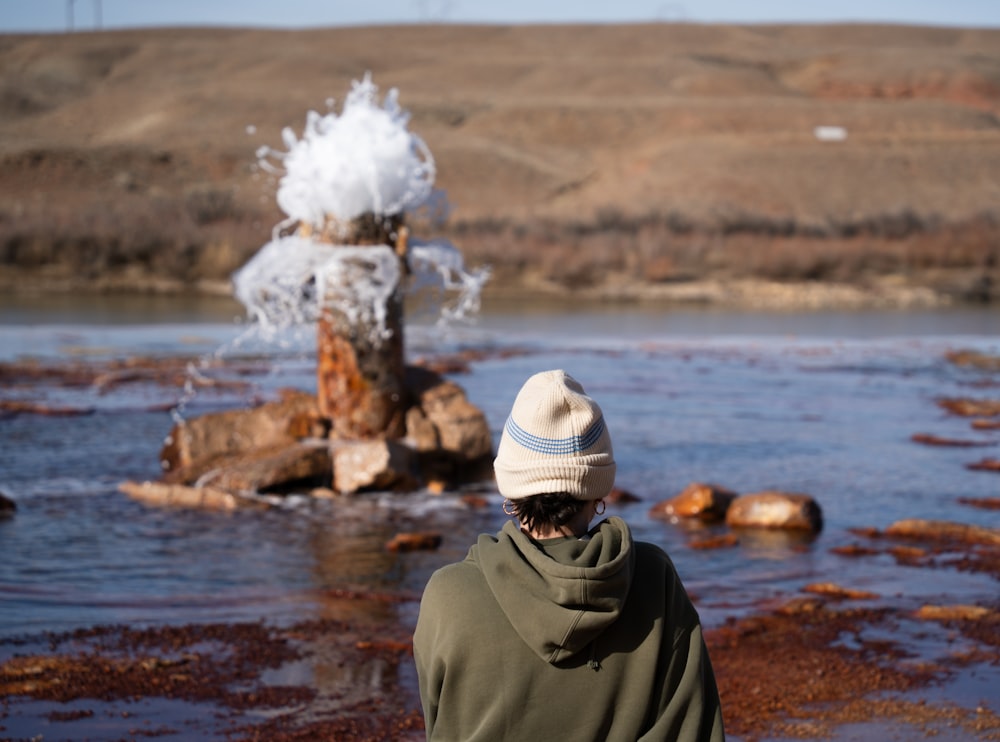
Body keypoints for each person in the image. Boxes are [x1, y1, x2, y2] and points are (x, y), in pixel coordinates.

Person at [413, 369, 725, 741]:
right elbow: (695, 728)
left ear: (510, 485)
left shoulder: (449, 593)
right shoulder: (653, 579)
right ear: (598, 488)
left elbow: (439, 724)